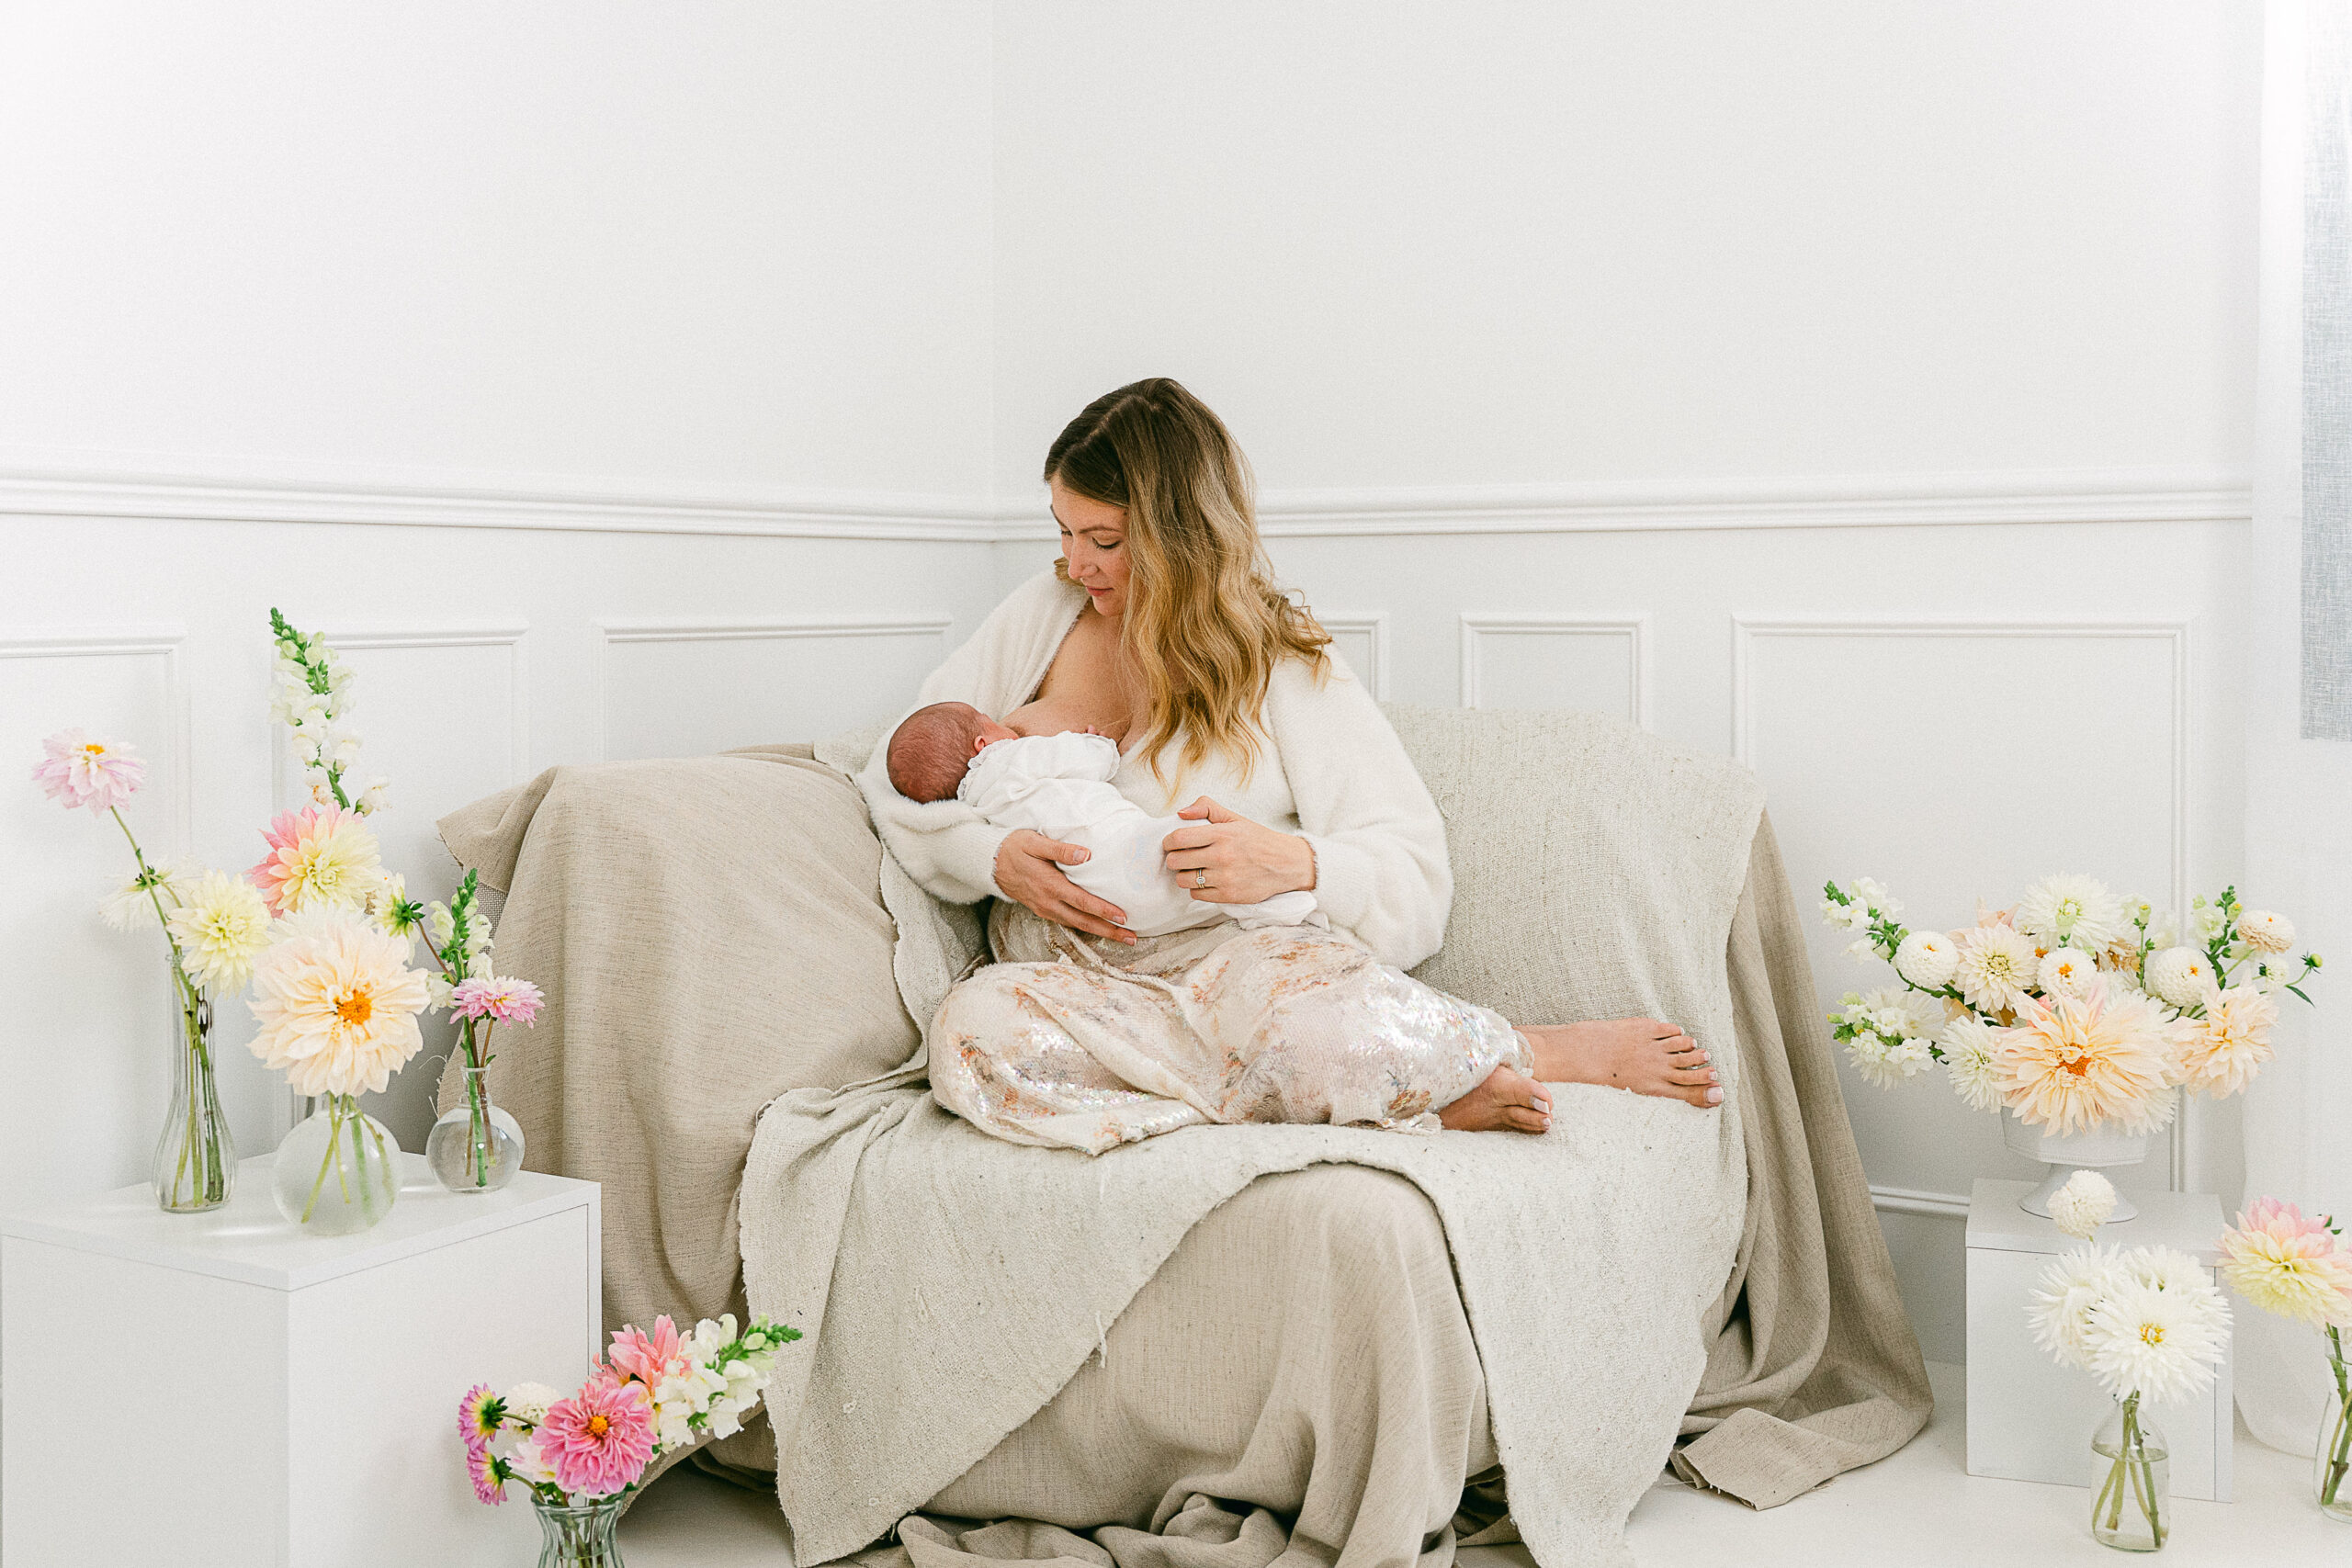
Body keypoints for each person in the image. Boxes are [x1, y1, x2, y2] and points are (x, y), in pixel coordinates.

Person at [856, 378, 1720, 1155]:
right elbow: (896, 766)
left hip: (1242, 978)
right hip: (1083, 989)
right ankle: (1372, 1094)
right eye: (1064, 532)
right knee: (970, 1036)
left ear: (1178, 538)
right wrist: (987, 859)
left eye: (1105, 540)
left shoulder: (1281, 665)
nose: (1077, 564)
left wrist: (1297, 864)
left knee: (1308, 1032)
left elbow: (1416, 876)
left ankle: (1530, 1048)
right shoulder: (1041, 616)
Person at [886, 697, 1321, 937]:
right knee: (1194, 842)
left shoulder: (978, 805)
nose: (1007, 726)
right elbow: (1081, 757)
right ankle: (1265, 907)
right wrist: (1099, 745)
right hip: (1124, 852)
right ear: (983, 744)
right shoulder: (1013, 756)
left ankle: (1260, 908)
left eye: (1105, 541)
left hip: (1110, 905)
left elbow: (924, 806)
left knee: (1184, 890)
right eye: (992, 722)